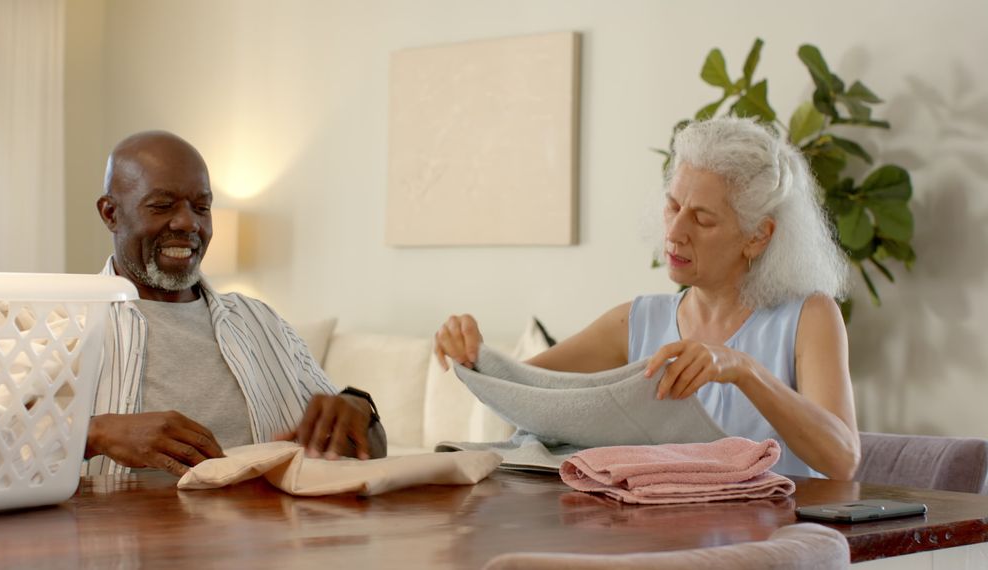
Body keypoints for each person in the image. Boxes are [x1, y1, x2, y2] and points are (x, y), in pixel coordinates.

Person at [434, 117, 859, 479]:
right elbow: (519, 394)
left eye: (702, 219)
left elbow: (843, 459)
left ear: (757, 236)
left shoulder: (809, 316)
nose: (674, 232)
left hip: (772, 547)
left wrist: (744, 370)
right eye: (673, 207)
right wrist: (471, 351)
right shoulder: (634, 321)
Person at [84, 130, 386, 476]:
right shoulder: (57, 325)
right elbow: (7, 444)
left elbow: (367, 451)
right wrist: (94, 433)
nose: (188, 223)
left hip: (265, 527)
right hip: (121, 529)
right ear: (110, 213)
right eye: (162, 206)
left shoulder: (261, 322)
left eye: (201, 207)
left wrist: (358, 407)